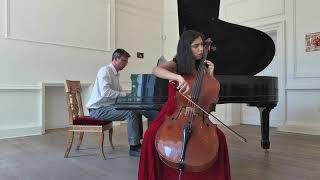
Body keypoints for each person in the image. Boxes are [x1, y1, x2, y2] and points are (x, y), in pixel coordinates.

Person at [138, 30, 231, 180]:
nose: (201, 49)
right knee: (150, 136)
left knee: (220, 138)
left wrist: (211, 75)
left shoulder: (202, 69)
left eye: (202, 45)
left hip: (198, 116)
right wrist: (178, 78)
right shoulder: (176, 64)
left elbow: (210, 92)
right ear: (186, 48)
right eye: (196, 46)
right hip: (175, 111)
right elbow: (156, 70)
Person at [86, 48, 141, 157]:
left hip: (106, 107)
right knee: (130, 113)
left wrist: (131, 96)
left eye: (126, 61)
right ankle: (134, 147)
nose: (125, 64)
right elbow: (105, 92)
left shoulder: (115, 74)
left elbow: (119, 92)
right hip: (97, 110)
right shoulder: (105, 71)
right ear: (115, 59)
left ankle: (138, 141)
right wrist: (125, 95)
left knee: (135, 109)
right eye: (123, 61)